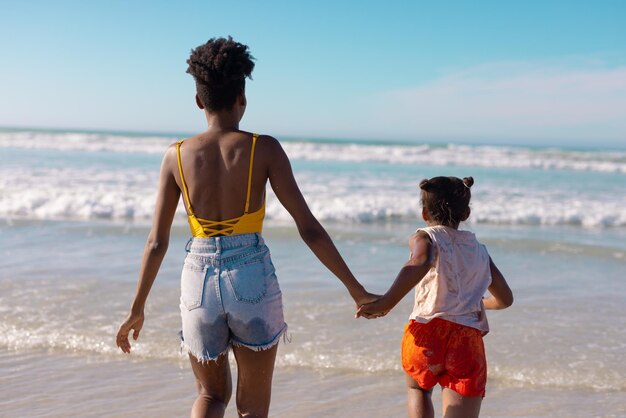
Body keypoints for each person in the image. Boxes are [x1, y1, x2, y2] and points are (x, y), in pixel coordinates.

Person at [115, 37, 376, 418]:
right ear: (243, 97)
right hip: (250, 276)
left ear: (199, 101)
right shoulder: (264, 148)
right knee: (252, 408)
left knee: (210, 395)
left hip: (197, 283)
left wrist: (137, 308)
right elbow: (310, 229)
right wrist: (356, 289)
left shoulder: (175, 156)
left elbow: (157, 242)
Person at [357, 176, 513, 418]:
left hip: (426, 332)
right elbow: (505, 299)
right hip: (466, 340)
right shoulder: (480, 251)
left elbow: (421, 261)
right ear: (467, 213)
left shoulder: (425, 236)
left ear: (423, 213)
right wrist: (481, 303)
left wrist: (386, 303)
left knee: (418, 390)